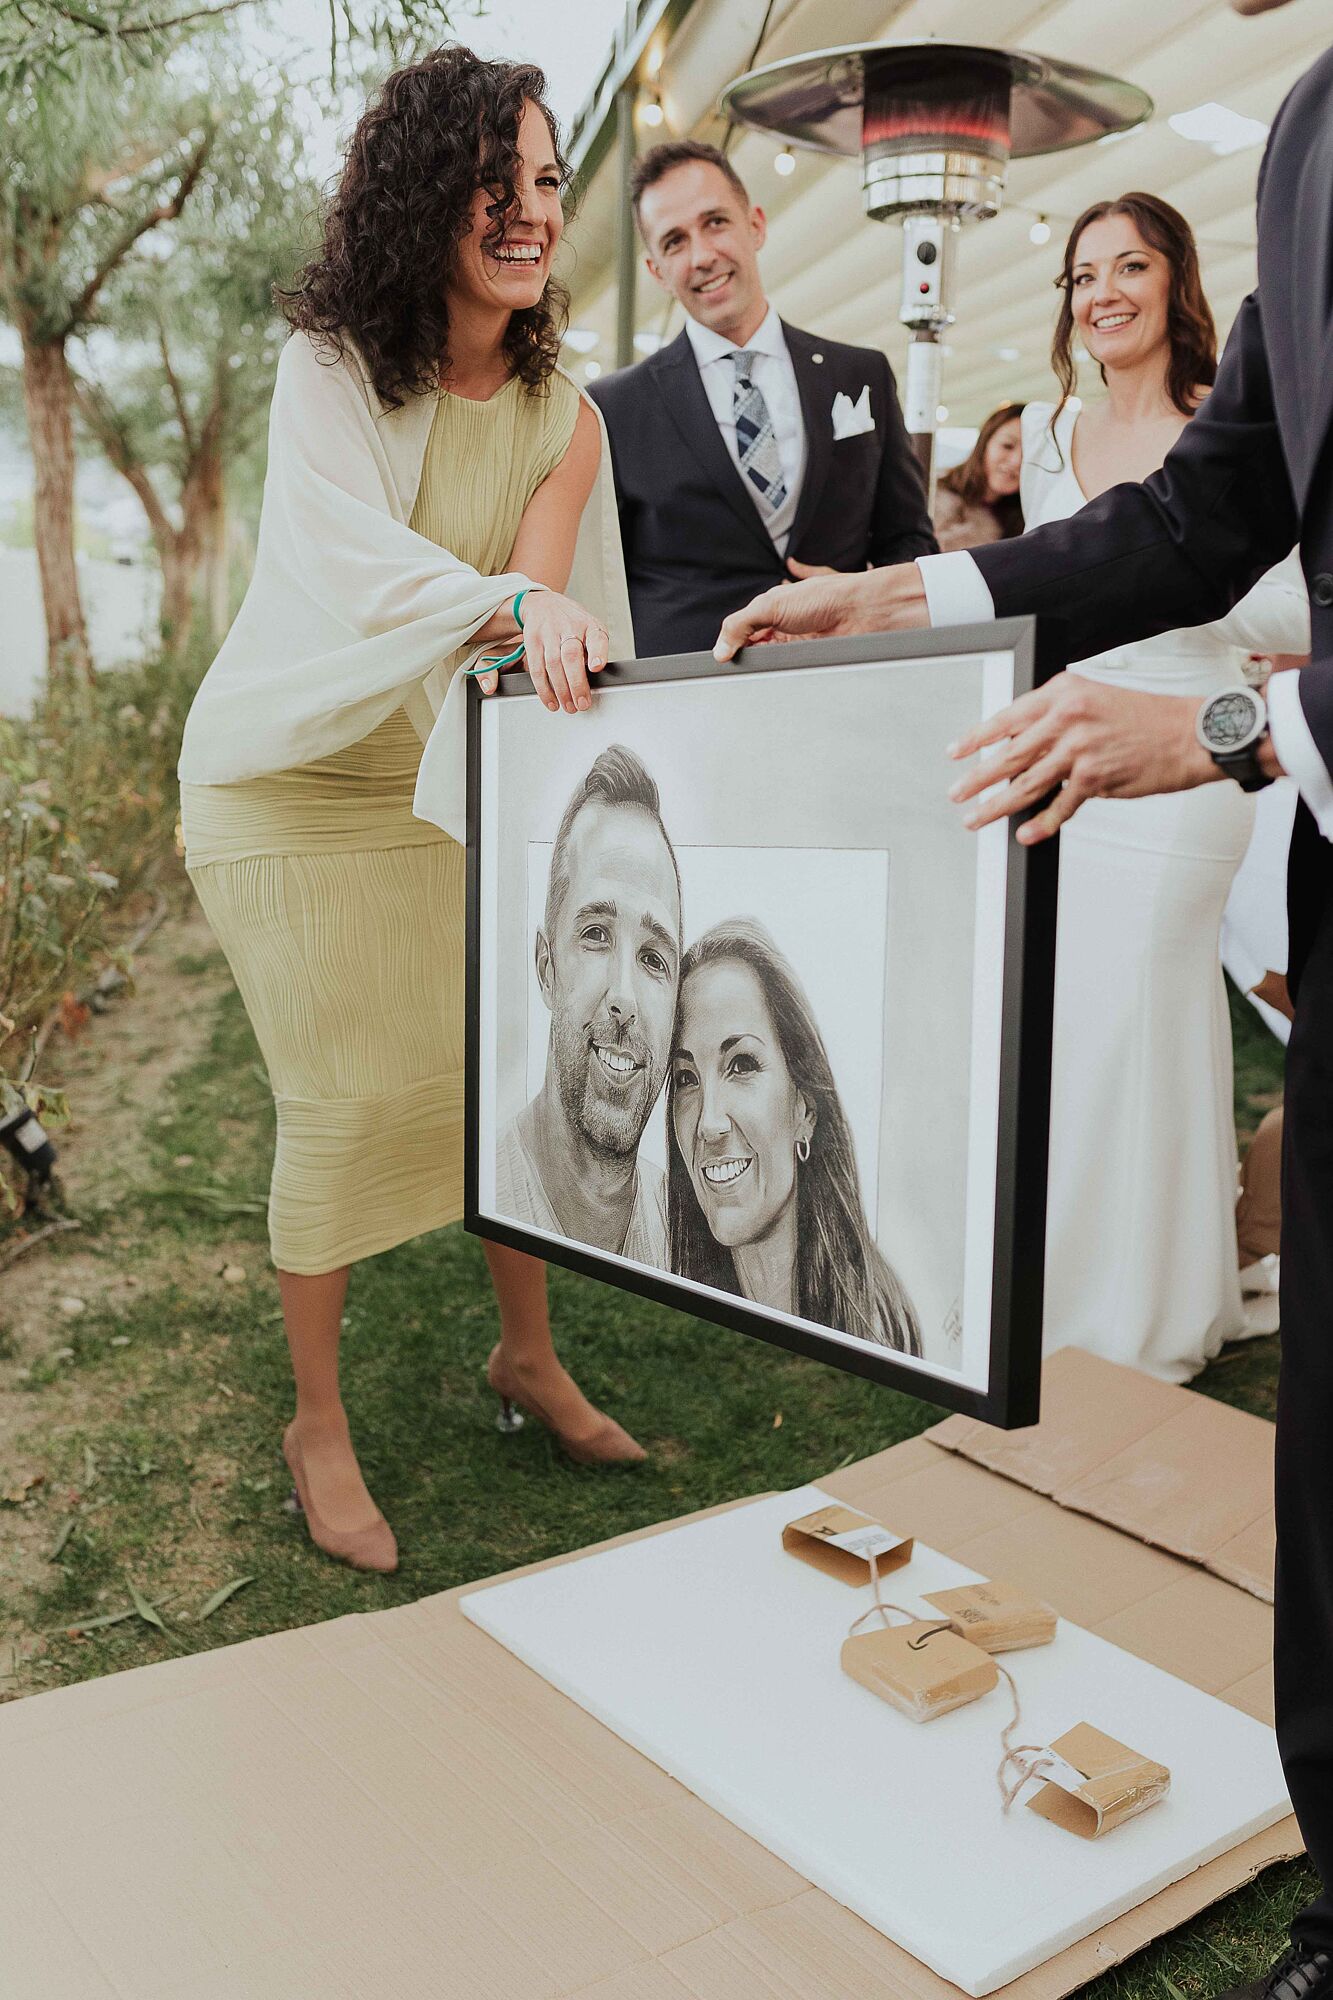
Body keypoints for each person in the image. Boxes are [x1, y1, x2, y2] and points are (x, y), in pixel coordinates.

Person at [714, 12, 1333, 1992]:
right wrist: (899, 598)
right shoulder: (1314, 128)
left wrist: (1227, 727)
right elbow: (1203, 510)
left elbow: (1240, 625)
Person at [177, 48, 646, 1575]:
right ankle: (318, 1419)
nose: (526, 212)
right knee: (345, 1100)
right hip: (281, 785)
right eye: (492, 180)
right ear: (421, 196)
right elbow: (365, 573)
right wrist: (515, 599)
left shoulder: (566, 418)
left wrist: (534, 619)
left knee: (493, 1068)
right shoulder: (324, 371)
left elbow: (537, 621)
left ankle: (528, 1355)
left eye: (548, 181)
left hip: (435, 782)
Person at [1016, 195, 1303, 1382]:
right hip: (1067, 756)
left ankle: (1130, 1318)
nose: (1102, 292)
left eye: (1128, 264)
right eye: (1082, 275)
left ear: (1174, 279)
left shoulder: (1225, 437)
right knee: (1086, 1019)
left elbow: (1289, 613)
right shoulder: (1045, 432)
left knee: (1142, 998)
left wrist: (1165, 580)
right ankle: (1127, 1274)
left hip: (1188, 765)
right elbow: (1037, 595)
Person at [587, 140, 937, 659]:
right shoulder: (612, 408)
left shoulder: (861, 374)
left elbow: (909, 542)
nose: (703, 256)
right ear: (657, 270)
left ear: (756, 225)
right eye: (675, 241)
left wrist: (858, 597)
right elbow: (601, 583)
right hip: (689, 688)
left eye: (715, 222)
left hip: (839, 674)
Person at [667, 919, 921, 1353]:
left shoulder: (872, 1324)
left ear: (804, 1109)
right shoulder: (679, 1305)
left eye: (742, 1065)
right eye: (687, 1077)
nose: (709, 1123)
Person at [497, 745, 679, 1272]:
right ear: (546, 968)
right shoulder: (495, 1187)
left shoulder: (694, 1240)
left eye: (653, 957)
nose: (623, 997)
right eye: (596, 934)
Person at [932, 403, 1024, 552]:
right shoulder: (932, 498)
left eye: (1029, 453)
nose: (1016, 461)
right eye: (1007, 446)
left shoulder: (1025, 523)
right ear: (984, 443)